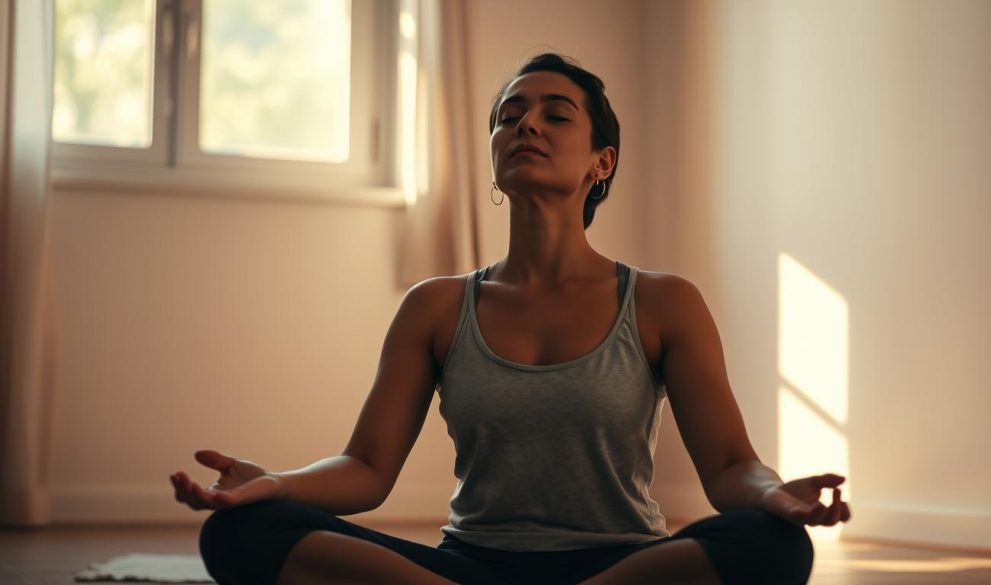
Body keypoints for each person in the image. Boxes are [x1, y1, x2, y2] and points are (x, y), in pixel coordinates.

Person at [170, 53, 850, 585]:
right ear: (494, 155)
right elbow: (367, 467)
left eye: (556, 115)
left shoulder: (663, 301)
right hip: (469, 567)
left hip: (621, 569)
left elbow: (731, 465)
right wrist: (274, 484)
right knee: (237, 534)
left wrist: (773, 494)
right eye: (509, 114)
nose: (525, 124)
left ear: (600, 162)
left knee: (774, 546)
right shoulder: (435, 306)